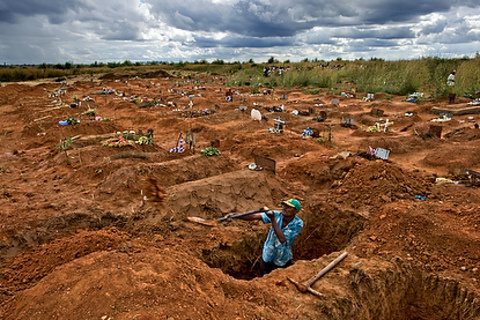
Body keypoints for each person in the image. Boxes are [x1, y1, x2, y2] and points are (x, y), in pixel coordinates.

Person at [232, 199, 303, 275]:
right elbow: (254, 216)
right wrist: (236, 215)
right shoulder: (277, 214)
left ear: (296, 211)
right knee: (263, 277)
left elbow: (282, 239)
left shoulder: (298, 224)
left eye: (289, 207)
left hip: (281, 259)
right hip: (268, 254)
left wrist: (272, 219)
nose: (285, 208)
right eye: (285, 206)